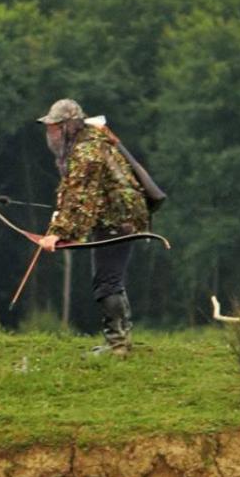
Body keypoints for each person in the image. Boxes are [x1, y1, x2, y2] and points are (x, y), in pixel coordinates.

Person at [34, 98, 150, 355]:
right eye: (48, 127)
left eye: (54, 127)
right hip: (115, 218)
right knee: (110, 279)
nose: (49, 133)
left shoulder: (87, 151)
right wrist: (60, 222)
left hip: (119, 220)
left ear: (68, 126)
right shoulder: (79, 147)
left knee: (107, 280)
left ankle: (118, 345)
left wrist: (58, 234)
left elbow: (81, 198)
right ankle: (120, 341)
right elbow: (73, 192)